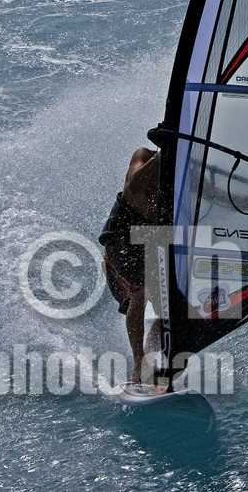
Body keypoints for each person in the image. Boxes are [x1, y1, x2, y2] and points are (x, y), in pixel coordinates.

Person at [98, 146, 160, 386]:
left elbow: (223, 197)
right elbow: (133, 186)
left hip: (155, 241)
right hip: (122, 237)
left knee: (171, 309)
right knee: (140, 290)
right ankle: (138, 363)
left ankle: (154, 360)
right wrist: (161, 159)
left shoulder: (188, 172)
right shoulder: (144, 156)